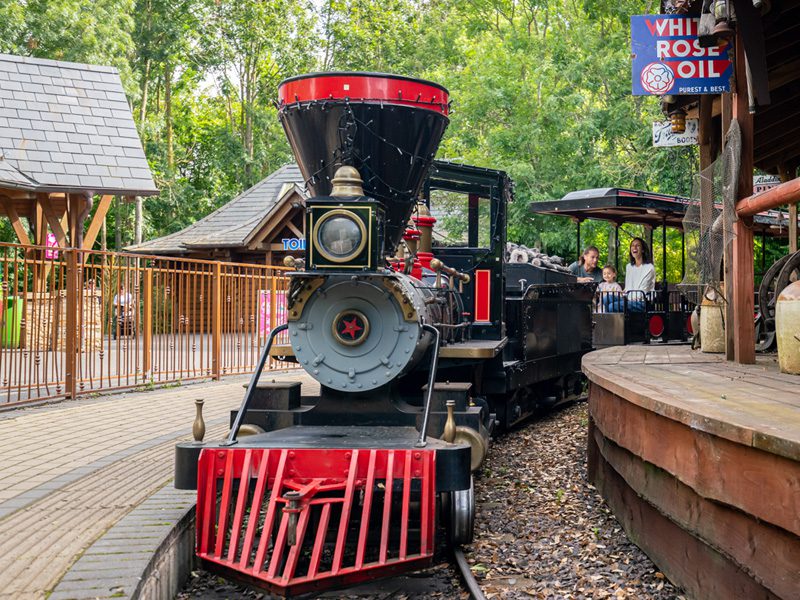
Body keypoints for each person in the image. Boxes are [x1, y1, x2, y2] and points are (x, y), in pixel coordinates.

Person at [623, 238, 655, 312]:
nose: (634, 247)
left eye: (637, 246)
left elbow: (642, 292)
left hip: (643, 302)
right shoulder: (629, 267)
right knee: (607, 299)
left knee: (612, 306)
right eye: (632, 245)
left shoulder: (649, 267)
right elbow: (628, 287)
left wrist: (627, 296)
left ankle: (622, 323)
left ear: (643, 250)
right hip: (629, 299)